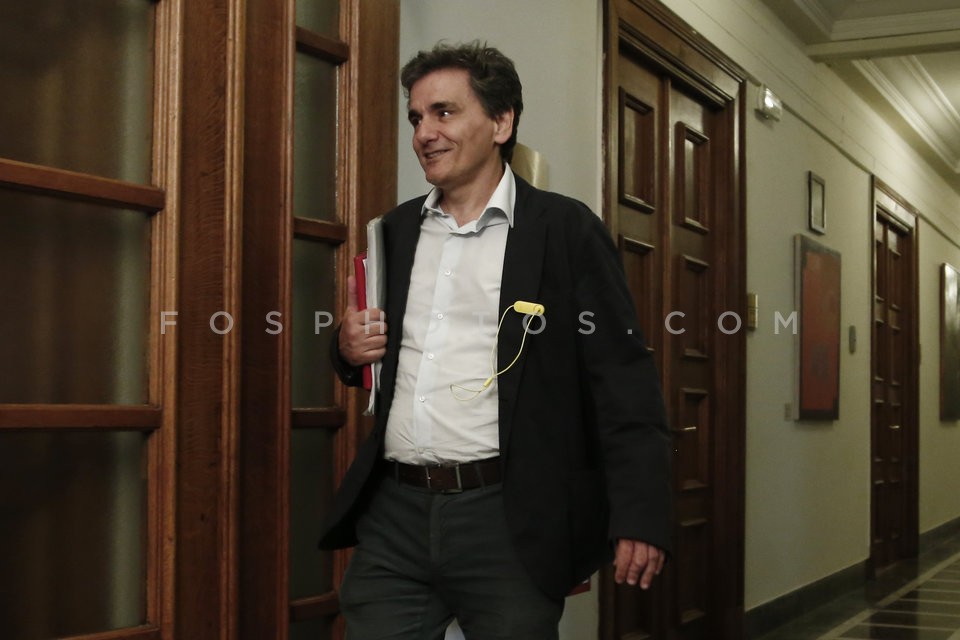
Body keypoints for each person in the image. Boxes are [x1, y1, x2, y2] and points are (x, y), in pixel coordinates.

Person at [320, 41, 672, 639]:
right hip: (395, 516)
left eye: (444, 112)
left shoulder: (565, 231)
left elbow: (624, 381)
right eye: (416, 117)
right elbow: (376, 352)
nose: (424, 133)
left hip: (509, 519)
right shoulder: (395, 230)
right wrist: (347, 349)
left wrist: (640, 513)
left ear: (502, 122)